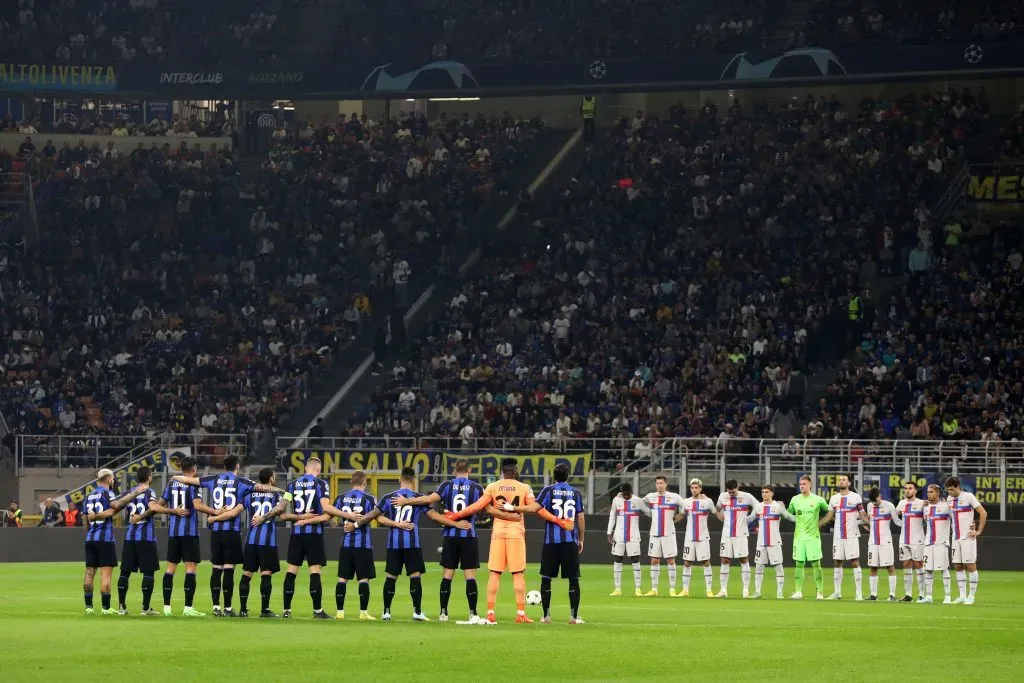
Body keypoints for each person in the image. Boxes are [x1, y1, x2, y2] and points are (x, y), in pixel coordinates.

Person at [354, 467, 469, 621]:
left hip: (394, 544)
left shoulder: (389, 497)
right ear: (414, 481)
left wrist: (356, 525)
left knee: (391, 577)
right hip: (412, 544)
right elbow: (434, 516)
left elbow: (375, 516)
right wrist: (455, 524)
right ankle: (417, 612)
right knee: (415, 576)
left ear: (399, 479)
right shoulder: (417, 498)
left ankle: (386, 612)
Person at [391, 458, 486, 623]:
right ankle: (473, 613)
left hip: (450, 535)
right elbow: (487, 507)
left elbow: (428, 500)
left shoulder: (446, 486)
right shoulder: (477, 488)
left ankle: (443, 612)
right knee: (470, 576)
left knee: (447, 575)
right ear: (469, 470)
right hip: (468, 534)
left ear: (455, 470)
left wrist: (407, 501)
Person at [447, 457, 539, 623]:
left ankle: (490, 612)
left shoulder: (493, 486)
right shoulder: (524, 487)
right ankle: (520, 613)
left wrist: (457, 515)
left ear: (502, 471)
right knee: (518, 573)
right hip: (515, 533)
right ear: (515, 470)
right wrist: (515, 508)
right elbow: (533, 508)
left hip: (497, 532)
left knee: (495, 573)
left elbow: (478, 505)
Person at [261, 454, 344, 619]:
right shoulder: (321, 484)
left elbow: (282, 510)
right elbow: (325, 507)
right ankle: (318, 611)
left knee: (291, 570)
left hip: (296, 533)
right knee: (314, 570)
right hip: (314, 533)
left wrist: (265, 517)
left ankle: (286, 611)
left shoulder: (292, 485)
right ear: (318, 470)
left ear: (306, 468)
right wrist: (338, 516)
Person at [172, 455, 255, 617]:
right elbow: (262, 487)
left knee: (216, 569)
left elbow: (190, 481)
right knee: (229, 569)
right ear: (237, 466)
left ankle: (216, 607)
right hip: (232, 531)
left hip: (216, 532)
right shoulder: (243, 483)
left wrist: (174, 476)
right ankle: (228, 608)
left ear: (224, 466)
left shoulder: (213, 479)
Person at [207, 467, 291, 618]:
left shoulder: (249, 494)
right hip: (268, 541)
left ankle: (243, 610)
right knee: (266, 574)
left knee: (247, 574)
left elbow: (234, 512)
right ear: (271, 478)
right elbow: (281, 509)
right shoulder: (278, 494)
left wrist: (214, 518)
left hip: (251, 540)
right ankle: (264, 610)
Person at [514, 462, 584, 623]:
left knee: (546, 578)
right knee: (573, 579)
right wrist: (581, 539)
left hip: (551, 542)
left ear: (554, 476)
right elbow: (580, 518)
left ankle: (546, 616)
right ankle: (573, 617)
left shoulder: (548, 491)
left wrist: (513, 508)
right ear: (568, 476)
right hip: (569, 541)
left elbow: (533, 508)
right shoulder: (575, 493)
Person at [159, 454, 221, 617]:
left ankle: (166, 608)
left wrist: (172, 511)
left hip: (173, 532)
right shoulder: (193, 485)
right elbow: (197, 506)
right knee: (190, 569)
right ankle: (188, 608)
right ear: (193, 469)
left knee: (170, 569)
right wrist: (215, 511)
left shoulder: (170, 484)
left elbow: (159, 506)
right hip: (189, 533)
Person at [120, 467, 184, 615]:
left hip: (130, 536)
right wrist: (173, 511)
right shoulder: (149, 492)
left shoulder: (129, 492)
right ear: (149, 477)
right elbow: (153, 507)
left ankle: (122, 607)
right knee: (148, 573)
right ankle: (145, 608)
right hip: (146, 537)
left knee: (125, 572)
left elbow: (117, 504)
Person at [81, 469, 146, 614]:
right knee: (106, 574)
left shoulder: (89, 495)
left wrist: (88, 534)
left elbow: (84, 518)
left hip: (90, 539)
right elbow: (115, 507)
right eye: (113, 478)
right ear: (109, 479)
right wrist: (135, 493)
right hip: (105, 538)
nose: (114, 481)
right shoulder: (107, 493)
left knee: (89, 573)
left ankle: (89, 607)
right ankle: (106, 608)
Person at [331, 470, 379, 621]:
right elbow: (377, 516)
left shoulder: (340, 498)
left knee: (342, 578)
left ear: (351, 482)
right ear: (365, 482)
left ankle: (340, 612)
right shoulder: (370, 499)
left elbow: (331, 519)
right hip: (363, 545)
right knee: (363, 579)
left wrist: (340, 523)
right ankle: (363, 612)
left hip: (345, 544)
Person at [819, 474, 867, 600]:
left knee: (855, 562)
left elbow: (863, 514)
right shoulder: (834, 498)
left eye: (844, 480)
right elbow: (829, 516)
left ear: (849, 483)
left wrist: (872, 524)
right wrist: (817, 525)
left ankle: (859, 593)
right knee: (837, 562)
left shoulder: (856, 497)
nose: (841, 481)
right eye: (839, 480)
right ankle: (837, 593)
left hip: (851, 535)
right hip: (838, 536)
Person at [715, 479, 759, 598]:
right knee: (724, 560)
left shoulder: (747, 497)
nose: (731, 494)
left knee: (743, 559)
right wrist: (721, 518)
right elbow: (716, 509)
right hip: (726, 534)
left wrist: (750, 518)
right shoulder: (722, 496)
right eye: (729, 492)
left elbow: (758, 506)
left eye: (733, 492)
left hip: (741, 534)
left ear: (738, 487)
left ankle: (745, 590)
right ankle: (723, 590)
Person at [641, 475, 685, 596]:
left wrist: (679, 516)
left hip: (668, 534)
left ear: (666, 484)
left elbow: (686, 505)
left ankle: (672, 589)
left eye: (661, 483)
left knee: (670, 561)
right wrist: (649, 513)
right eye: (657, 483)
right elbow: (638, 503)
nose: (659, 485)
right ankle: (654, 589)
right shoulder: (650, 497)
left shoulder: (674, 497)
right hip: (654, 533)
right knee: (654, 560)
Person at [945, 476, 986, 604]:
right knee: (958, 566)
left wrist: (978, 530)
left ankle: (971, 597)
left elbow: (983, 512)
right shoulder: (949, 499)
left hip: (968, 537)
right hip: (955, 537)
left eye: (952, 489)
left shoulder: (969, 497)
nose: (950, 492)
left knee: (971, 565)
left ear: (958, 487)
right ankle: (962, 595)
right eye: (948, 490)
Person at [750, 484, 794, 599]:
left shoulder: (777, 506)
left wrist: (803, 519)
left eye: (767, 492)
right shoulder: (758, 507)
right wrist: (736, 517)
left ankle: (779, 592)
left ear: (772, 493)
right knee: (759, 566)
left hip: (774, 542)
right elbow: (750, 519)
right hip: (761, 542)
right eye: (763, 492)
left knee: (778, 566)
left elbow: (789, 517)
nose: (764, 494)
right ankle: (757, 592)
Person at [788, 475, 829, 600]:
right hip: (799, 537)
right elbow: (788, 514)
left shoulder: (818, 500)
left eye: (804, 484)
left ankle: (820, 592)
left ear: (810, 485)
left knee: (816, 564)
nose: (802, 486)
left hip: (813, 536)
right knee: (799, 563)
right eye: (800, 484)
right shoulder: (794, 500)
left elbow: (829, 512)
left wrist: (821, 523)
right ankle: (798, 592)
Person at [606, 482, 649, 598]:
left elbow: (648, 512)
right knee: (617, 559)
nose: (626, 497)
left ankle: (638, 589)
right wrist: (609, 532)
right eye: (624, 495)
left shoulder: (637, 501)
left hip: (633, 536)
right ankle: (617, 589)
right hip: (618, 535)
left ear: (631, 493)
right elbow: (612, 516)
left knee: (635, 560)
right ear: (621, 493)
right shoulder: (616, 500)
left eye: (627, 495)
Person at [680, 478, 716, 598]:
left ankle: (709, 590)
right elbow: (681, 514)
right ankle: (685, 590)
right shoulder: (686, 502)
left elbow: (716, 513)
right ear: (690, 489)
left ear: (700, 488)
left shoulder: (708, 502)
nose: (694, 490)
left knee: (705, 562)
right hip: (689, 537)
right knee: (687, 562)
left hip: (703, 537)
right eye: (692, 488)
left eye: (696, 487)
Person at [865, 487, 902, 601]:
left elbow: (896, 521)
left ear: (879, 496)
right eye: (872, 501)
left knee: (890, 566)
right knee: (873, 567)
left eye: (875, 500)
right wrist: (853, 522)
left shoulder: (889, 506)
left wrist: (909, 524)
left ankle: (892, 594)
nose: (874, 503)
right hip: (872, 542)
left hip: (886, 541)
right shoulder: (869, 505)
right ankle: (873, 595)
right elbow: (868, 521)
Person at [921, 484, 952, 604]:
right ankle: (929, 596)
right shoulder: (926, 508)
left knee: (944, 569)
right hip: (928, 543)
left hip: (941, 543)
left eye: (931, 492)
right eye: (928, 492)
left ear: (938, 493)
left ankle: (947, 596)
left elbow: (954, 520)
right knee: (928, 570)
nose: (929, 494)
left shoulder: (946, 506)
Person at [895, 481, 926, 601]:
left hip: (917, 539)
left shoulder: (922, 503)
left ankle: (922, 594)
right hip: (904, 539)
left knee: (918, 564)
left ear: (915, 491)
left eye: (910, 488)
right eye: (906, 488)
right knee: (906, 565)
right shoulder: (901, 503)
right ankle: (908, 594)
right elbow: (894, 515)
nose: (907, 490)